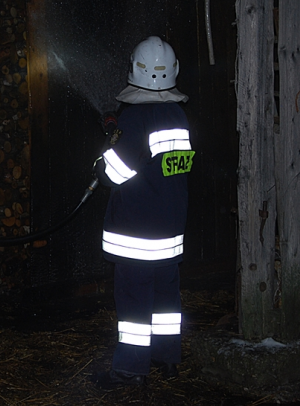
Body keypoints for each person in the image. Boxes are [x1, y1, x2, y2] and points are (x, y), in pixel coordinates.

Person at [91, 35, 193, 388]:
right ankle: (167, 361)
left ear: (135, 69)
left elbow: (112, 175)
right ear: (174, 71)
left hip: (136, 237)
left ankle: (129, 371)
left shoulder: (135, 118)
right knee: (166, 302)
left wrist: (108, 148)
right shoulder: (177, 114)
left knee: (134, 307)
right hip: (169, 233)